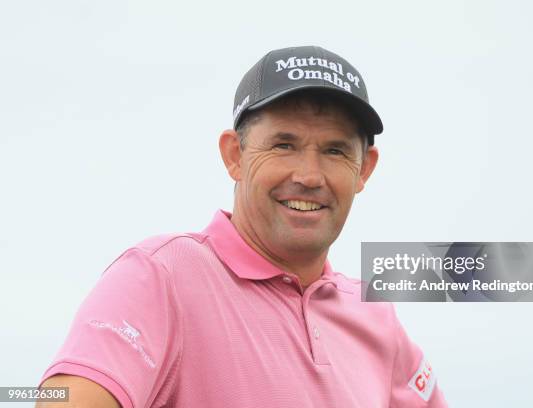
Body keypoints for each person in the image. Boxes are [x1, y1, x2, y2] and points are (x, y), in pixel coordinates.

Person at [37, 46, 447, 407]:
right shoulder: (160, 276)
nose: (309, 175)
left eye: (335, 150)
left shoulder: (376, 318)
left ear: (364, 169)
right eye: (284, 145)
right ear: (235, 155)